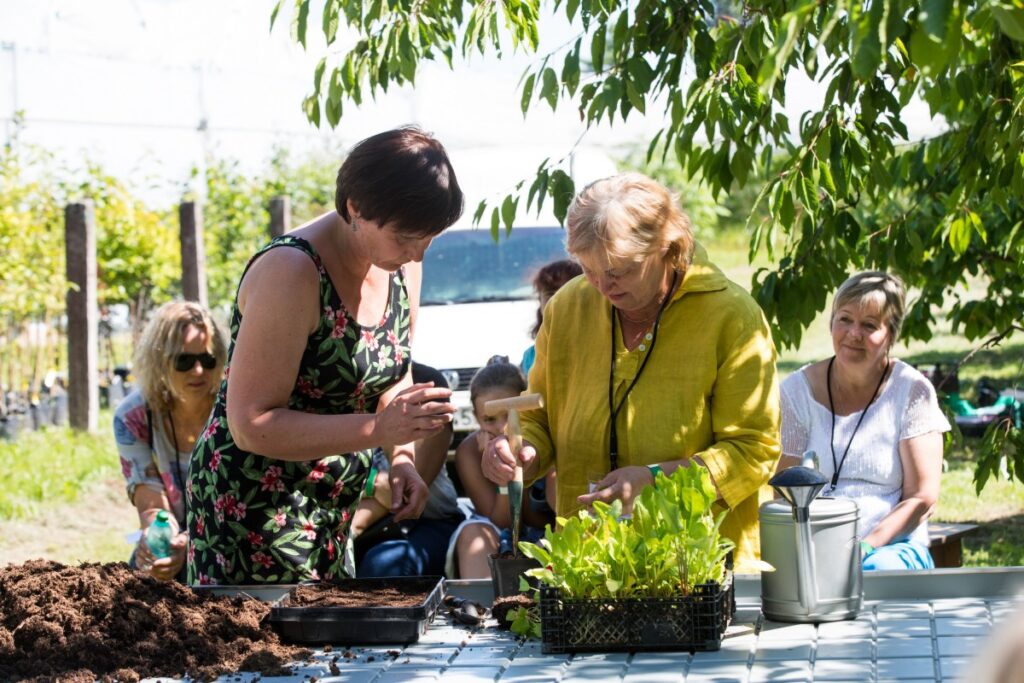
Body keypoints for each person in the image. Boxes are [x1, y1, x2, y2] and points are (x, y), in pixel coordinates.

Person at [186, 127, 463, 585]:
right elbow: (250, 423)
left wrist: (402, 459)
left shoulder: (403, 264)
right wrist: (378, 429)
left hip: (333, 506)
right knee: (267, 653)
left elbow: (393, 371)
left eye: (429, 238)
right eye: (405, 237)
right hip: (253, 509)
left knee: (334, 651)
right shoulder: (291, 271)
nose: (417, 251)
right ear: (355, 207)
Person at [482, 173, 781, 572]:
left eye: (619, 270)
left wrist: (655, 480)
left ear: (667, 247)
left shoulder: (732, 317)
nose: (602, 285)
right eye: (587, 269)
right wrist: (522, 452)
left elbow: (753, 448)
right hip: (590, 563)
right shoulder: (568, 307)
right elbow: (541, 416)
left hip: (698, 567)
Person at [778, 271, 949, 571]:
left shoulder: (912, 392)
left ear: (891, 336)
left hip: (893, 548)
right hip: (812, 546)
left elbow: (922, 498)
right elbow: (784, 491)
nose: (854, 333)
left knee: (872, 572)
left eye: (869, 325)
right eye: (844, 319)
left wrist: (864, 547)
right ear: (831, 322)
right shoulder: (796, 392)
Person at [113, 300, 227, 582]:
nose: (198, 371)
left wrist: (194, 542)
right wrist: (159, 540)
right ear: (160, 361)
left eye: (208, 359)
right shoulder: (134, 417)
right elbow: (152, 506)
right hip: (176, 539)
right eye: (184, 361)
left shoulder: (234, 410)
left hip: (232, 537)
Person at [351, 362, 467, 578]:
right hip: (356, 520)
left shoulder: (425, 381)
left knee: (383, 565)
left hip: (429, 521)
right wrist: (376, 485)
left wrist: (352, 528)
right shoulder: (344, 388)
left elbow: (402, 495)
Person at [451, 358, 556, 578]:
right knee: (473, 534)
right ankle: (479, 609)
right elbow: (501, 521)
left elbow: (536, 518)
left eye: (509, 415)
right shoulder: (469, 452)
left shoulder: (542, 441)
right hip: (501, 531)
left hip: (543, 530)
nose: (501, 427)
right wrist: (504, 480)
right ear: (476, 418)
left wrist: (523, 468)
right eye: (489, 419)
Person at [520, 259, 583, 377]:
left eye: (567, 291)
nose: (557, 300)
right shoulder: (530, 356)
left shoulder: (604, 345)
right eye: (550, 293)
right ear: (540, 301)